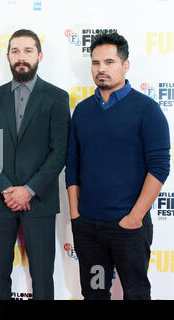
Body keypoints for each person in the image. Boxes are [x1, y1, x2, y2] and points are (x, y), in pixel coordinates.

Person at [66, 32, 170, 300]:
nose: (101, 69)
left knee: (135, 292)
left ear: (125, 65)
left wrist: (135, 217)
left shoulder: (147, 109)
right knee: (95, 292)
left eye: (110, 62)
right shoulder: (83, 111)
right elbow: (73, 164)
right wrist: (77, 215)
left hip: (129, 229)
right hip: (89, 229)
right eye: (96, 63)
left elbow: (159, 167)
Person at [0, 29, 70, 300]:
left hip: (39, 201)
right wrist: (7, 189)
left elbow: (59, 151)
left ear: (39, 56)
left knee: (42, 276)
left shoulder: (57, 97)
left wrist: (28, 189)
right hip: (0, 200)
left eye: (28, 51)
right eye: (16, 51)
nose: (22, 57)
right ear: (8, 57)